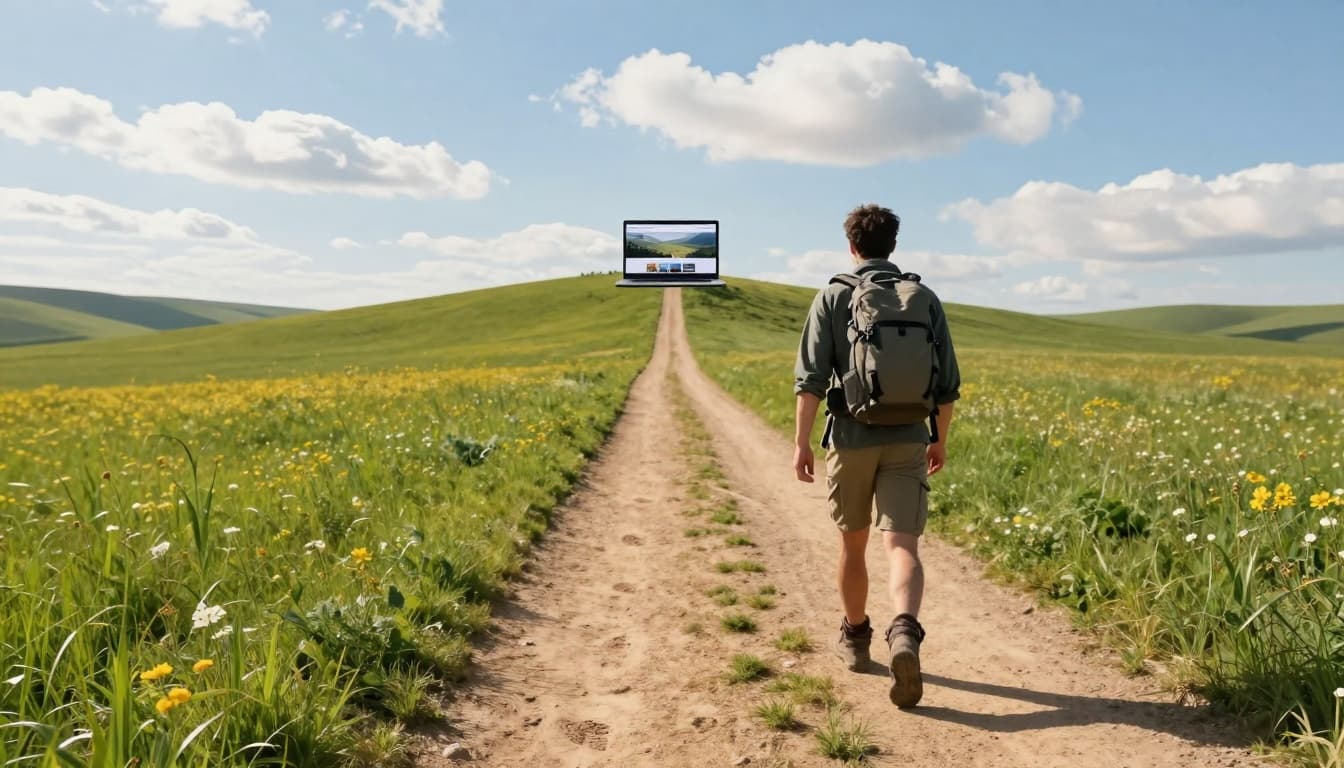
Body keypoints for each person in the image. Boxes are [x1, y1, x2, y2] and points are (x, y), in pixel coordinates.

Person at [792, 204, 961, 708]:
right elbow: (947, 385)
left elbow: (811, 380)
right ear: (893, 244)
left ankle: (857, 636)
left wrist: (801, 442)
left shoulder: (835, 294)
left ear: (852, 246)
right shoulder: (923, 297)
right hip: (910, 436)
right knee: (902, 545)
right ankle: (905, 632)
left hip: (850, 437)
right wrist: (939, 439)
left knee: (853, 544)